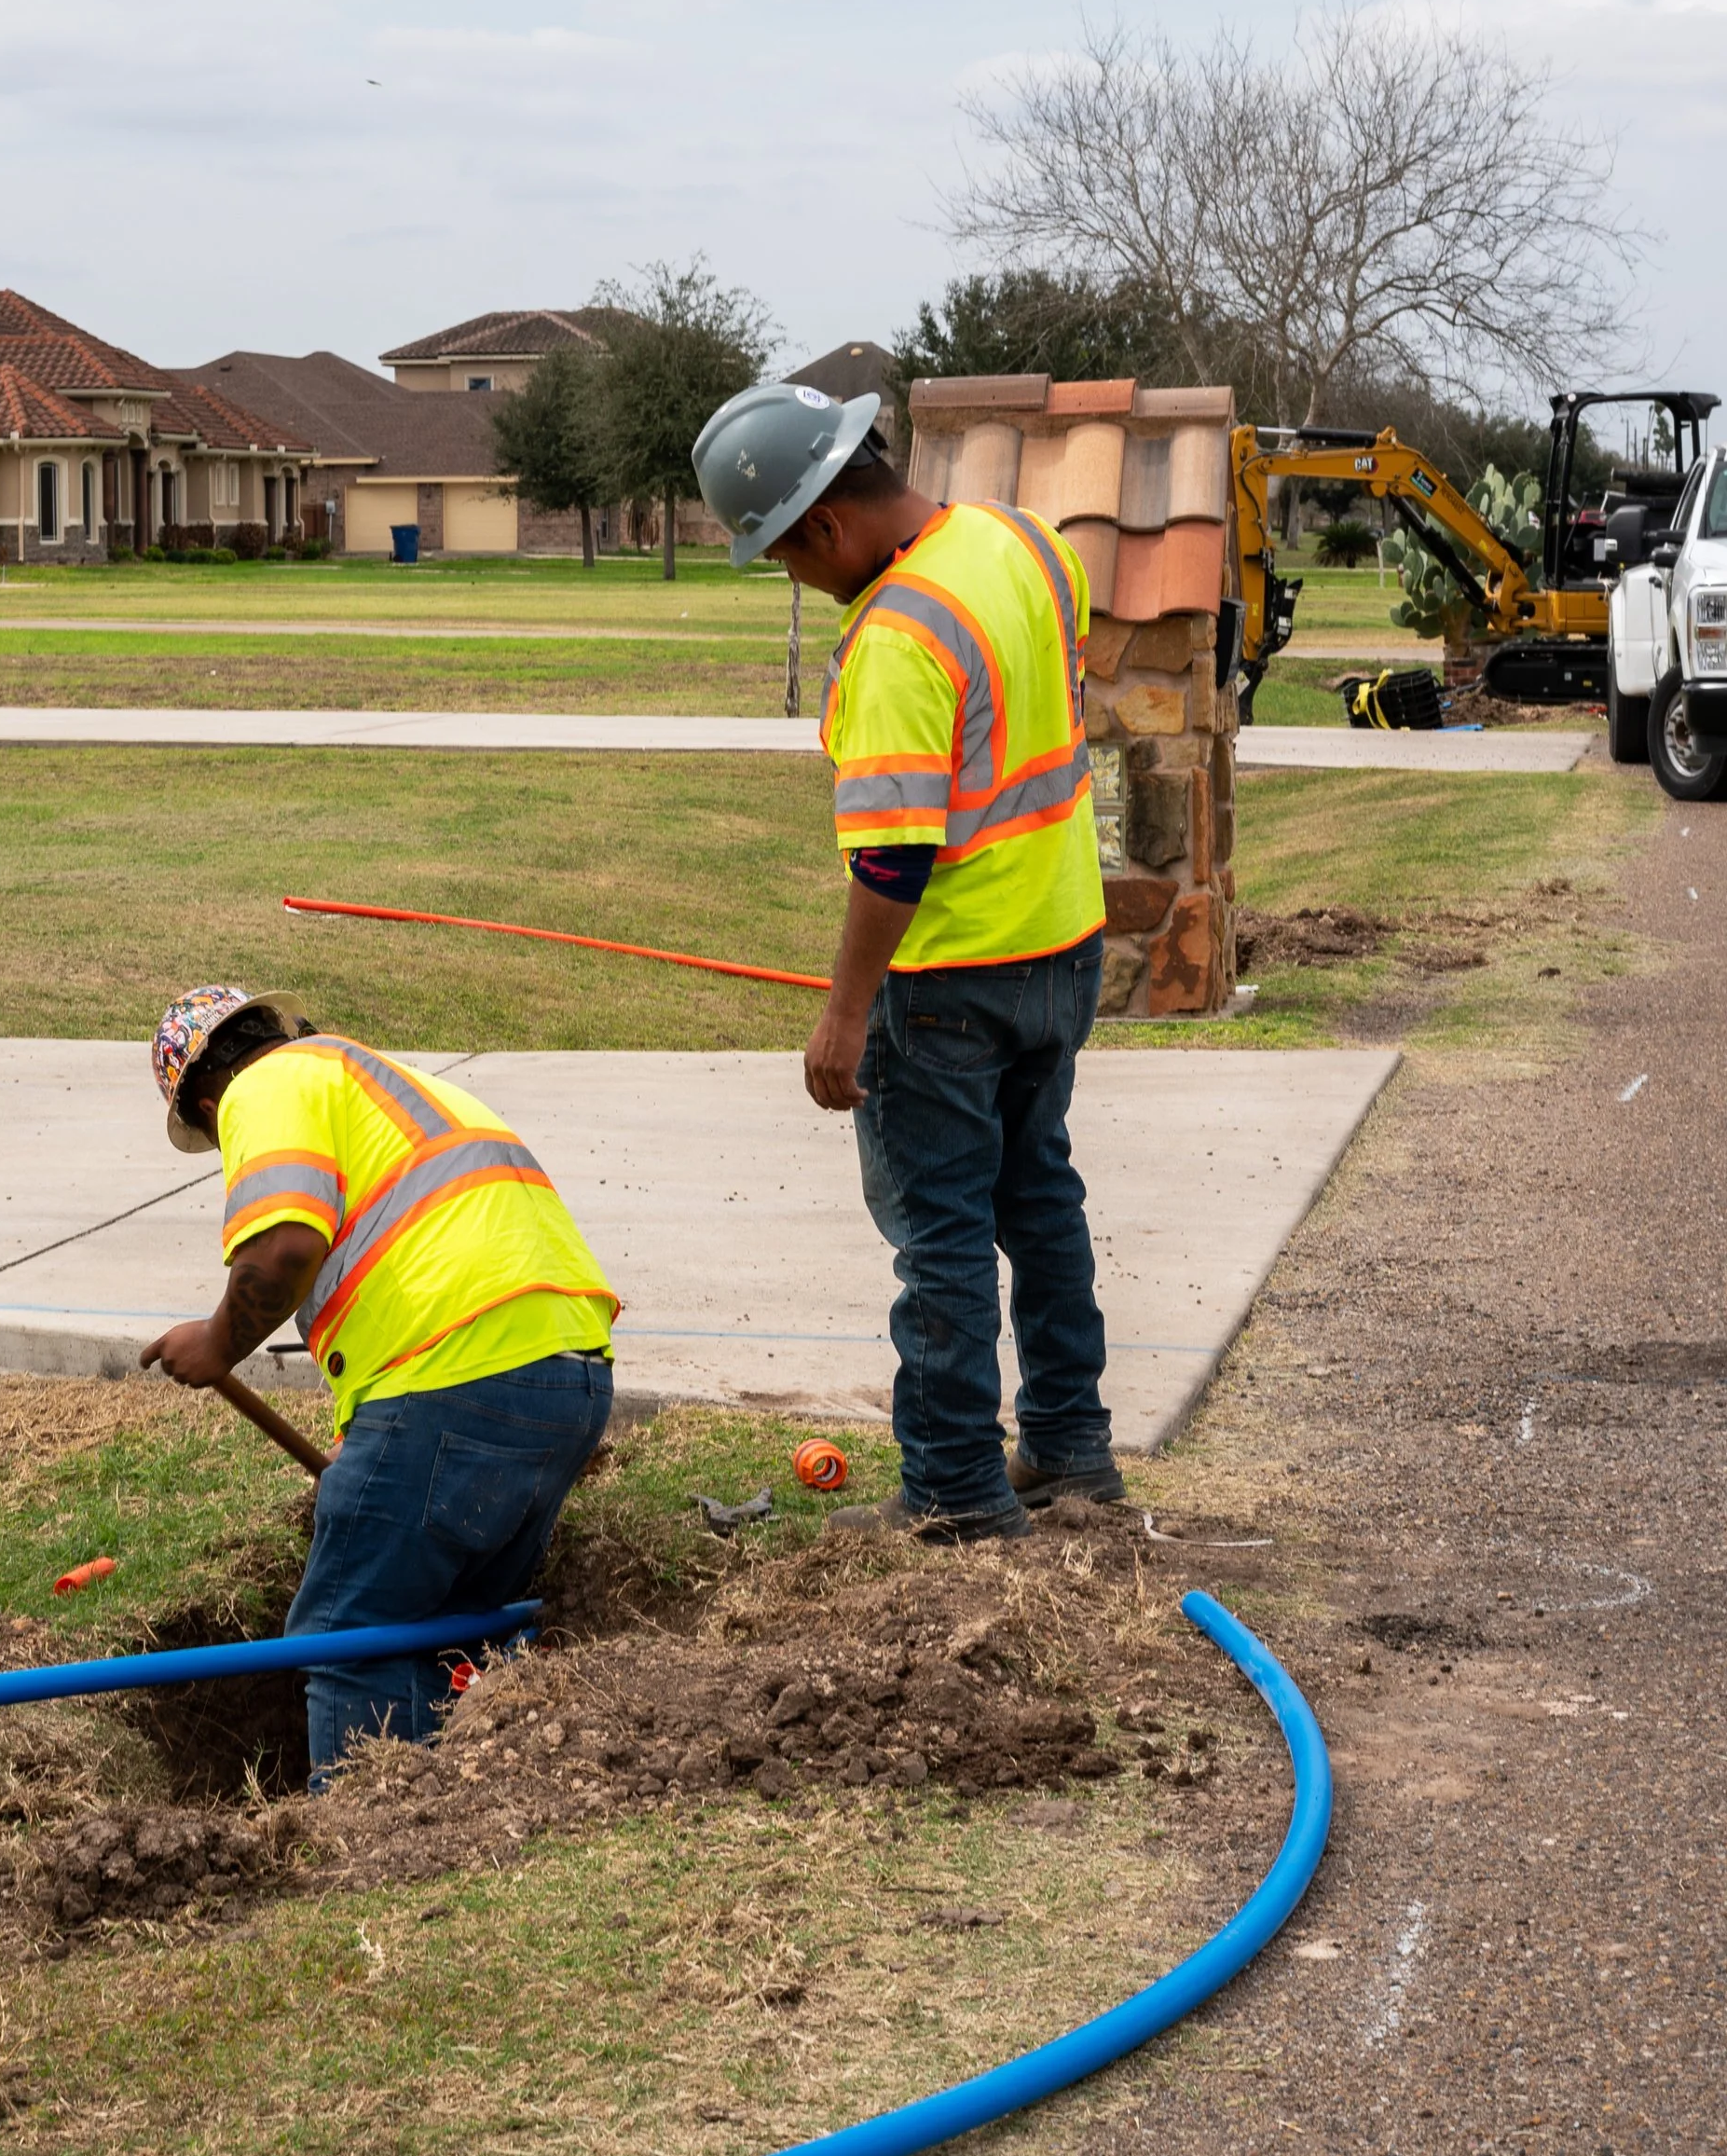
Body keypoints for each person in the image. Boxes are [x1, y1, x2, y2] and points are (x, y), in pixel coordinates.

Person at [692, 382, 1116, 1540]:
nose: (790, 575)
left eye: (779, 553)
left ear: (823, 523)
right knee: (1040, 1205)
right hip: (1064, 953)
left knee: (939, 1238)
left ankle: (954, 1496)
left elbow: (891, 863)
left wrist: (842, 1018)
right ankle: (1074, 1451)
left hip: (947, 990)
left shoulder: (895, 639)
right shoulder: (1021, 540)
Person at [139, 984, 619, 1774]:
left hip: (455, 1376)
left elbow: (284, 1246)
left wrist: (219, 1342)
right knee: (454, 1627)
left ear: (204, 1097)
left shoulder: (264, 1087)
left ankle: (362, 1866)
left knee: (350, 1631)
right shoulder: (389, 1087)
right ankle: (459, 1827)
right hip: (568, 1379)